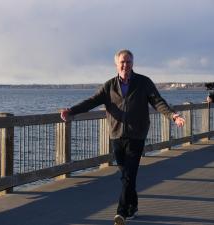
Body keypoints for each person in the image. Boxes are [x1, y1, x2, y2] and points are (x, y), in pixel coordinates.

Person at [60, 49, 185, 225]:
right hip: (117, 135)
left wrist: (173, 116)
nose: (126, 65)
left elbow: (158, 101)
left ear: (133, 64)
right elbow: (91, 101)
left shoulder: (143, 82)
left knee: (129, 174)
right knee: (126, 175)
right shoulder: (109, 86)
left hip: (137, 135)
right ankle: (132, 206)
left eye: (129, 62)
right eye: (122, 62)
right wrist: (71, 111)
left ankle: (121, 213)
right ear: (116, 64)